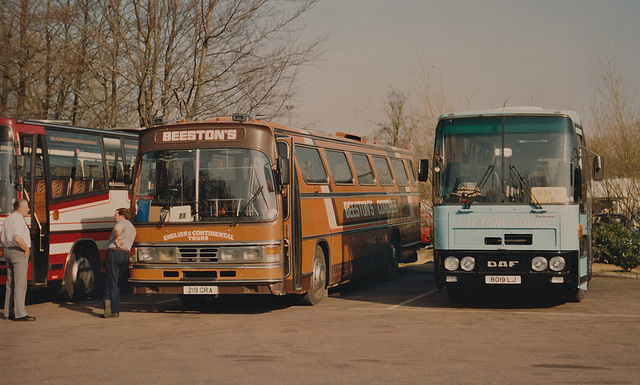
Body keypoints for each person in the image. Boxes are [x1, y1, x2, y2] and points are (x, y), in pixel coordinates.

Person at [1, 199, 35, 321]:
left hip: (8, 251)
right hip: (18, 252)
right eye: (26, 207)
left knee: (10, 283)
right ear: (20, 209)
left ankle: (8, 312)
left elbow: (1, 237)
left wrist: (6, 247)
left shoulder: (8, 219)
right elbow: (17, 237)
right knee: (20, 284)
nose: (28, 209)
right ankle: (20, 313)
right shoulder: (19, 219)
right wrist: (26, 249)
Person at [103, 208, 136, 318]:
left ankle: (114, 310)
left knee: (113, 283)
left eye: (115, 215)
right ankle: (107, 299)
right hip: (125, 255)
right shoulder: (132, 228)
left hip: (114, 253)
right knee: (112, 278)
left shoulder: (123, 223)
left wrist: (116, 238)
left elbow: (117, 228)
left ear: (122, 216)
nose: (114, 217)